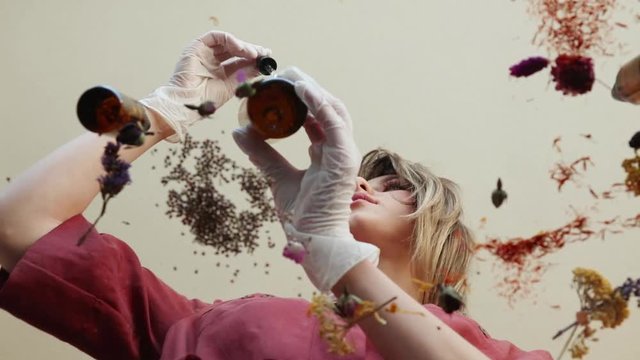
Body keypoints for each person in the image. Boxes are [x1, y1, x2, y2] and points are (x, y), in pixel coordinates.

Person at [0, 30, 552, 360]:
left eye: (395, 188)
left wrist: (337, 259)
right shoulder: (208, 324)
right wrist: (167, 110)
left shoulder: (489, 351)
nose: (360, 183)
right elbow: (18, 227)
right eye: (363, 175)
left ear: (447, 241)